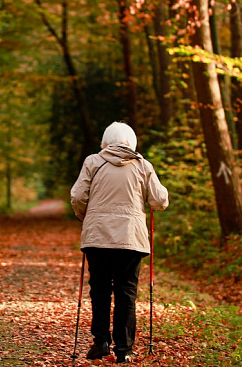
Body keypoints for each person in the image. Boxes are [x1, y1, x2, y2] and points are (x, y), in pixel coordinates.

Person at [70, 122, 169, 364]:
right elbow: (160, 200)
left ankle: (101, 341)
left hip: (98, 238)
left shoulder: (93, 162)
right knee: (127, 293)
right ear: (132, 142)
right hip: (131, 239)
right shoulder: (143, 165)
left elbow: (77, 196)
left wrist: (88, 217)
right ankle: (124, 350)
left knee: (100, 290)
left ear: (105, 141)